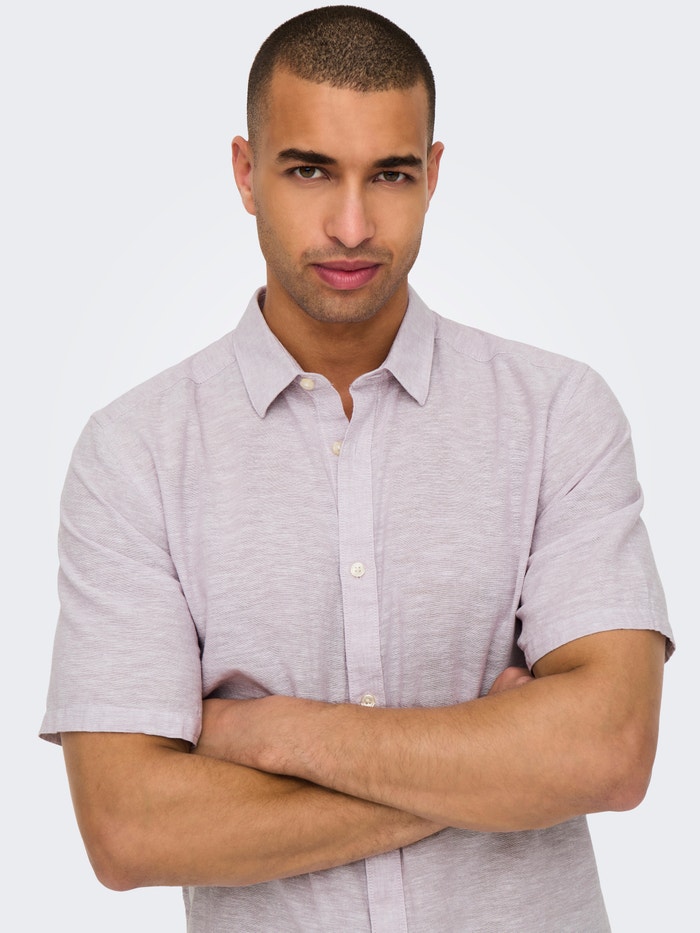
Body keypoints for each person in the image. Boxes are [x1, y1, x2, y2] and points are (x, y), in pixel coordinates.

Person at [41, 5, 673, 931]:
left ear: (433, 175)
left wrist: (267, 734)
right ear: (246, 173)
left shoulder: (557, 415)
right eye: (309, 170)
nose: (351, 225)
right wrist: (495, 766)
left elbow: (609, 752)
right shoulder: (133, 454)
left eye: (390, 174)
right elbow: (129, 829)